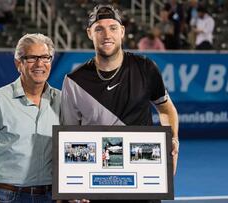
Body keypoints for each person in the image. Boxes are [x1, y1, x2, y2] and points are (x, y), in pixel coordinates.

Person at [61, 4, 179, 203]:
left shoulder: (146, 68)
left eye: (113, 27)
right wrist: (74, 184)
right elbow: (71, 137)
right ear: (89, 33)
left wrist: (173, 139)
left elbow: (166, 110)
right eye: (99, 28)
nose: (107, 34)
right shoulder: (74, 81)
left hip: (142, 176)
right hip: (98, 183)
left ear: (122, 31)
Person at [0, 33, 61, 203]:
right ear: (18, 63)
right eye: (32, 58)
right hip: (8, 196)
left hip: (51, 196)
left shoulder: (63, 101)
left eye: (45, 58)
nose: (40, 64)